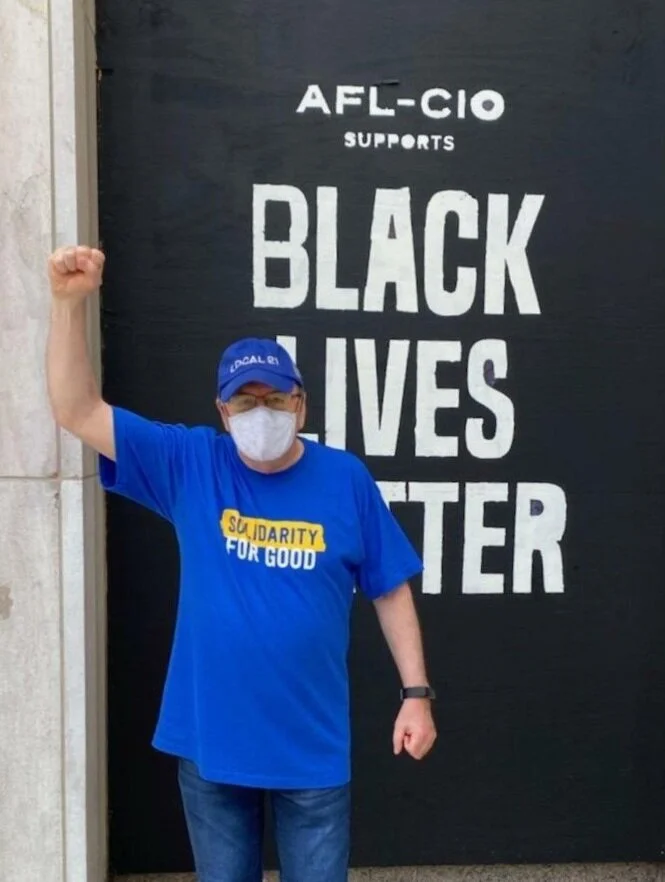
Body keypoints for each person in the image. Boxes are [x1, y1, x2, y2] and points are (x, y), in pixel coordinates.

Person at [46, 245, 437, 882]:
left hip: (311, 749)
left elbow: (389, 587)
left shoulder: (346, 479)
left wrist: (415, 695)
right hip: (212, 745)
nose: (262, 413)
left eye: (275, 400)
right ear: (223, 412)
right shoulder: (190, 464)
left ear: (301, 405)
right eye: (245, 402)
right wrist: (66, 307)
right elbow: (78, 411)